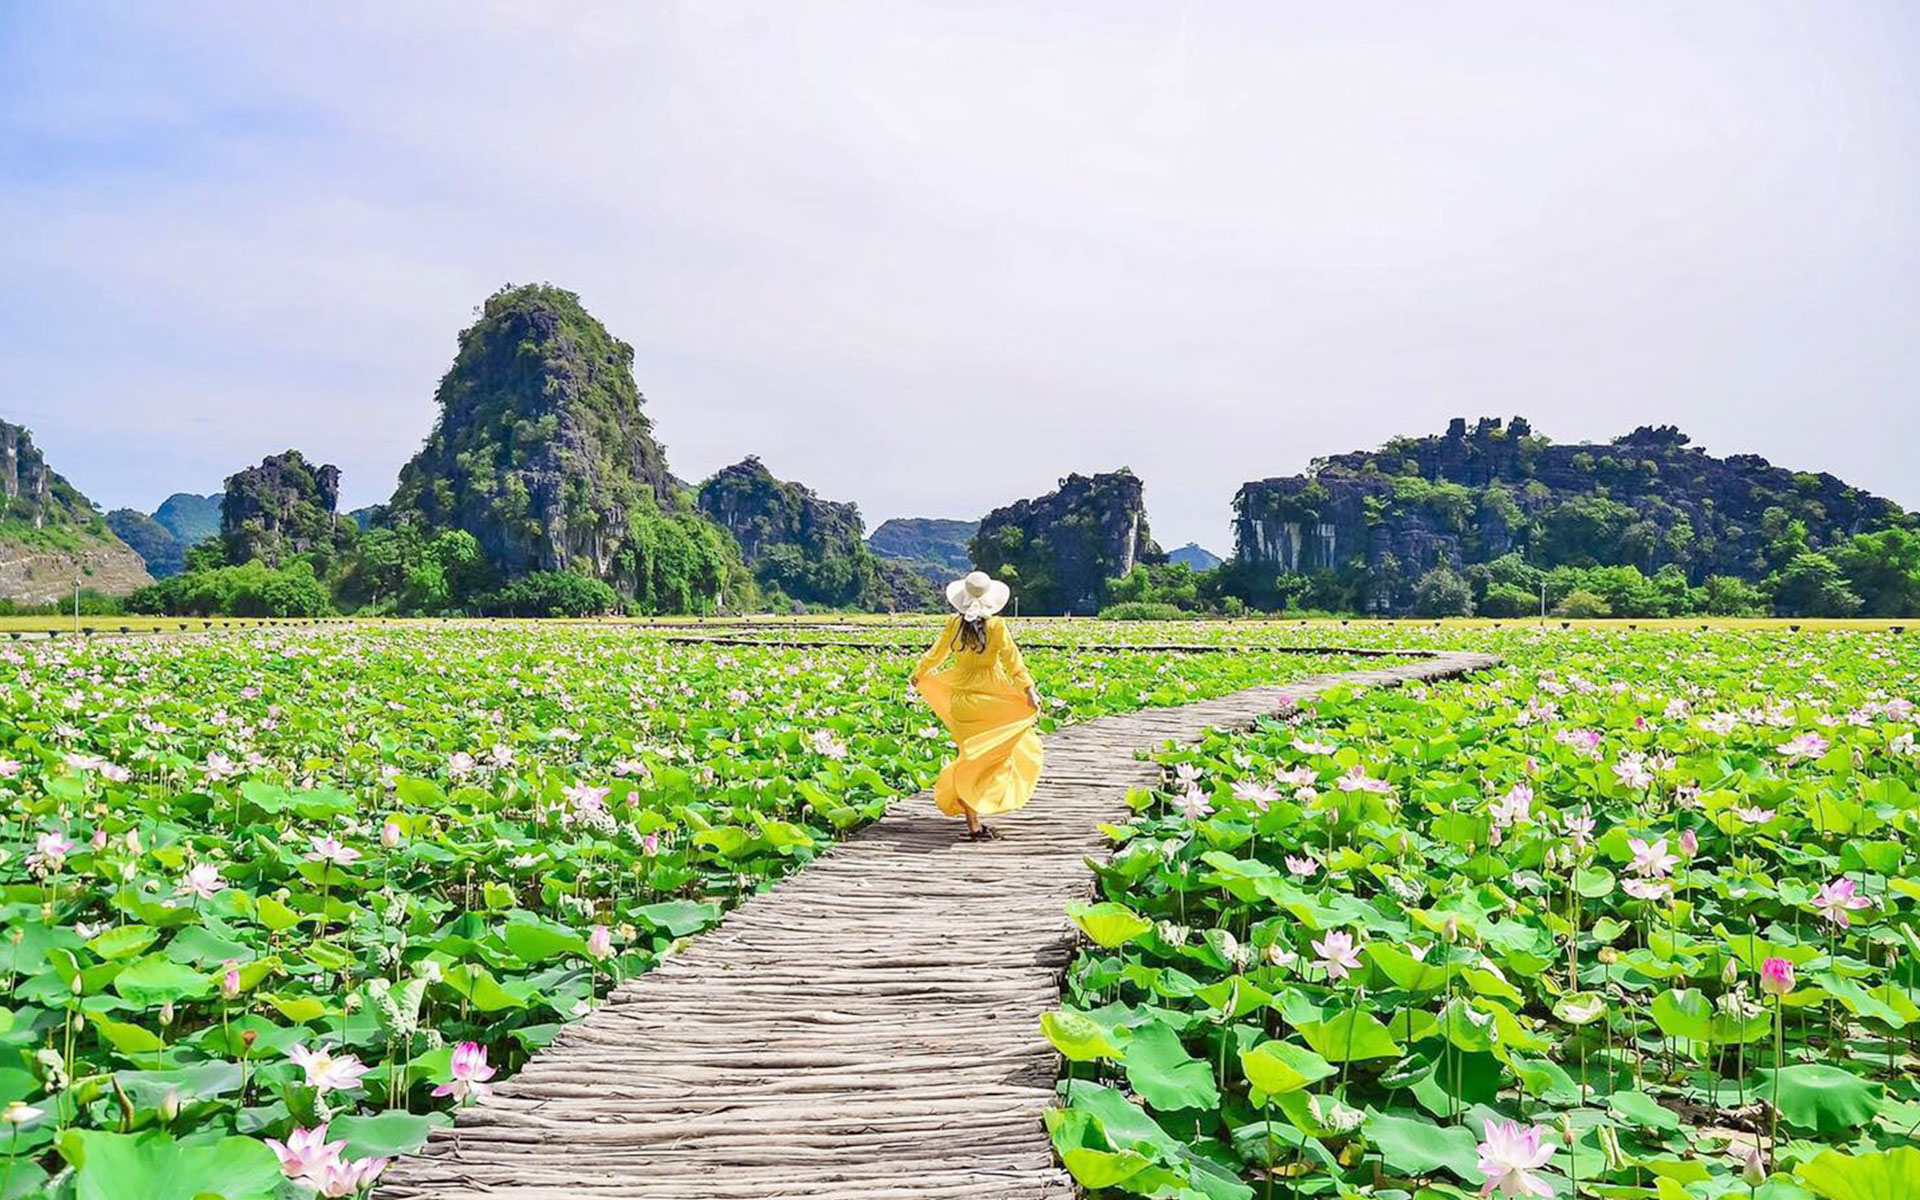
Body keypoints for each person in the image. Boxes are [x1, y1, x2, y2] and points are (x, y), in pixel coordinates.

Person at [910, 571, 1044, 841]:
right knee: (998, 753)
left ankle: (973, 824)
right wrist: (1029, 690)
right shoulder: (996, 627)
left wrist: (919, 674)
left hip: (963, 703)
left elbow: (935, 655)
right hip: (993, 700)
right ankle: (988, 800)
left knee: (968, 757)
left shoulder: (953, 625)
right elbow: (1012, 661)